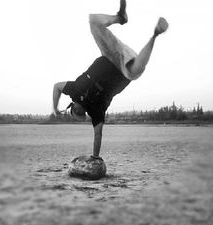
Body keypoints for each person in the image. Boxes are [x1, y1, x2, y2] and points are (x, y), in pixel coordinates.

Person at [52, 0, 168, 159]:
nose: (79, 112)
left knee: (93, 22)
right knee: (136, 71)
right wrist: (95, 157)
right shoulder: (95, 111)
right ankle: (155, 34)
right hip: (124, 71)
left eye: (75, 112)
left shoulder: (73, 90)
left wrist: (55, 107)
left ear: (72, 106)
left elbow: (56, 87)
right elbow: (98, 134)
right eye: (80, 114)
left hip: (110, 55)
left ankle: (120, 17)